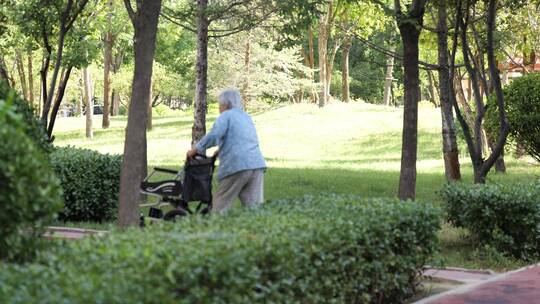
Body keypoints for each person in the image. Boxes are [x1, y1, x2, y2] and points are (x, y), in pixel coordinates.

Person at [187, 88, 266, 213]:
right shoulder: (246, 117)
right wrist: (221, 149)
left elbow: (214, 135)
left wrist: (196, 149)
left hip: (236, 165)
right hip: (256, 165)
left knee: (220, 207)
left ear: (226, 104)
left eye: (220, 105)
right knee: (255, 209)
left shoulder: (226, 116)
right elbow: (241, 138)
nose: (219, 108)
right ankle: (261, 231)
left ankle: (216, 231)